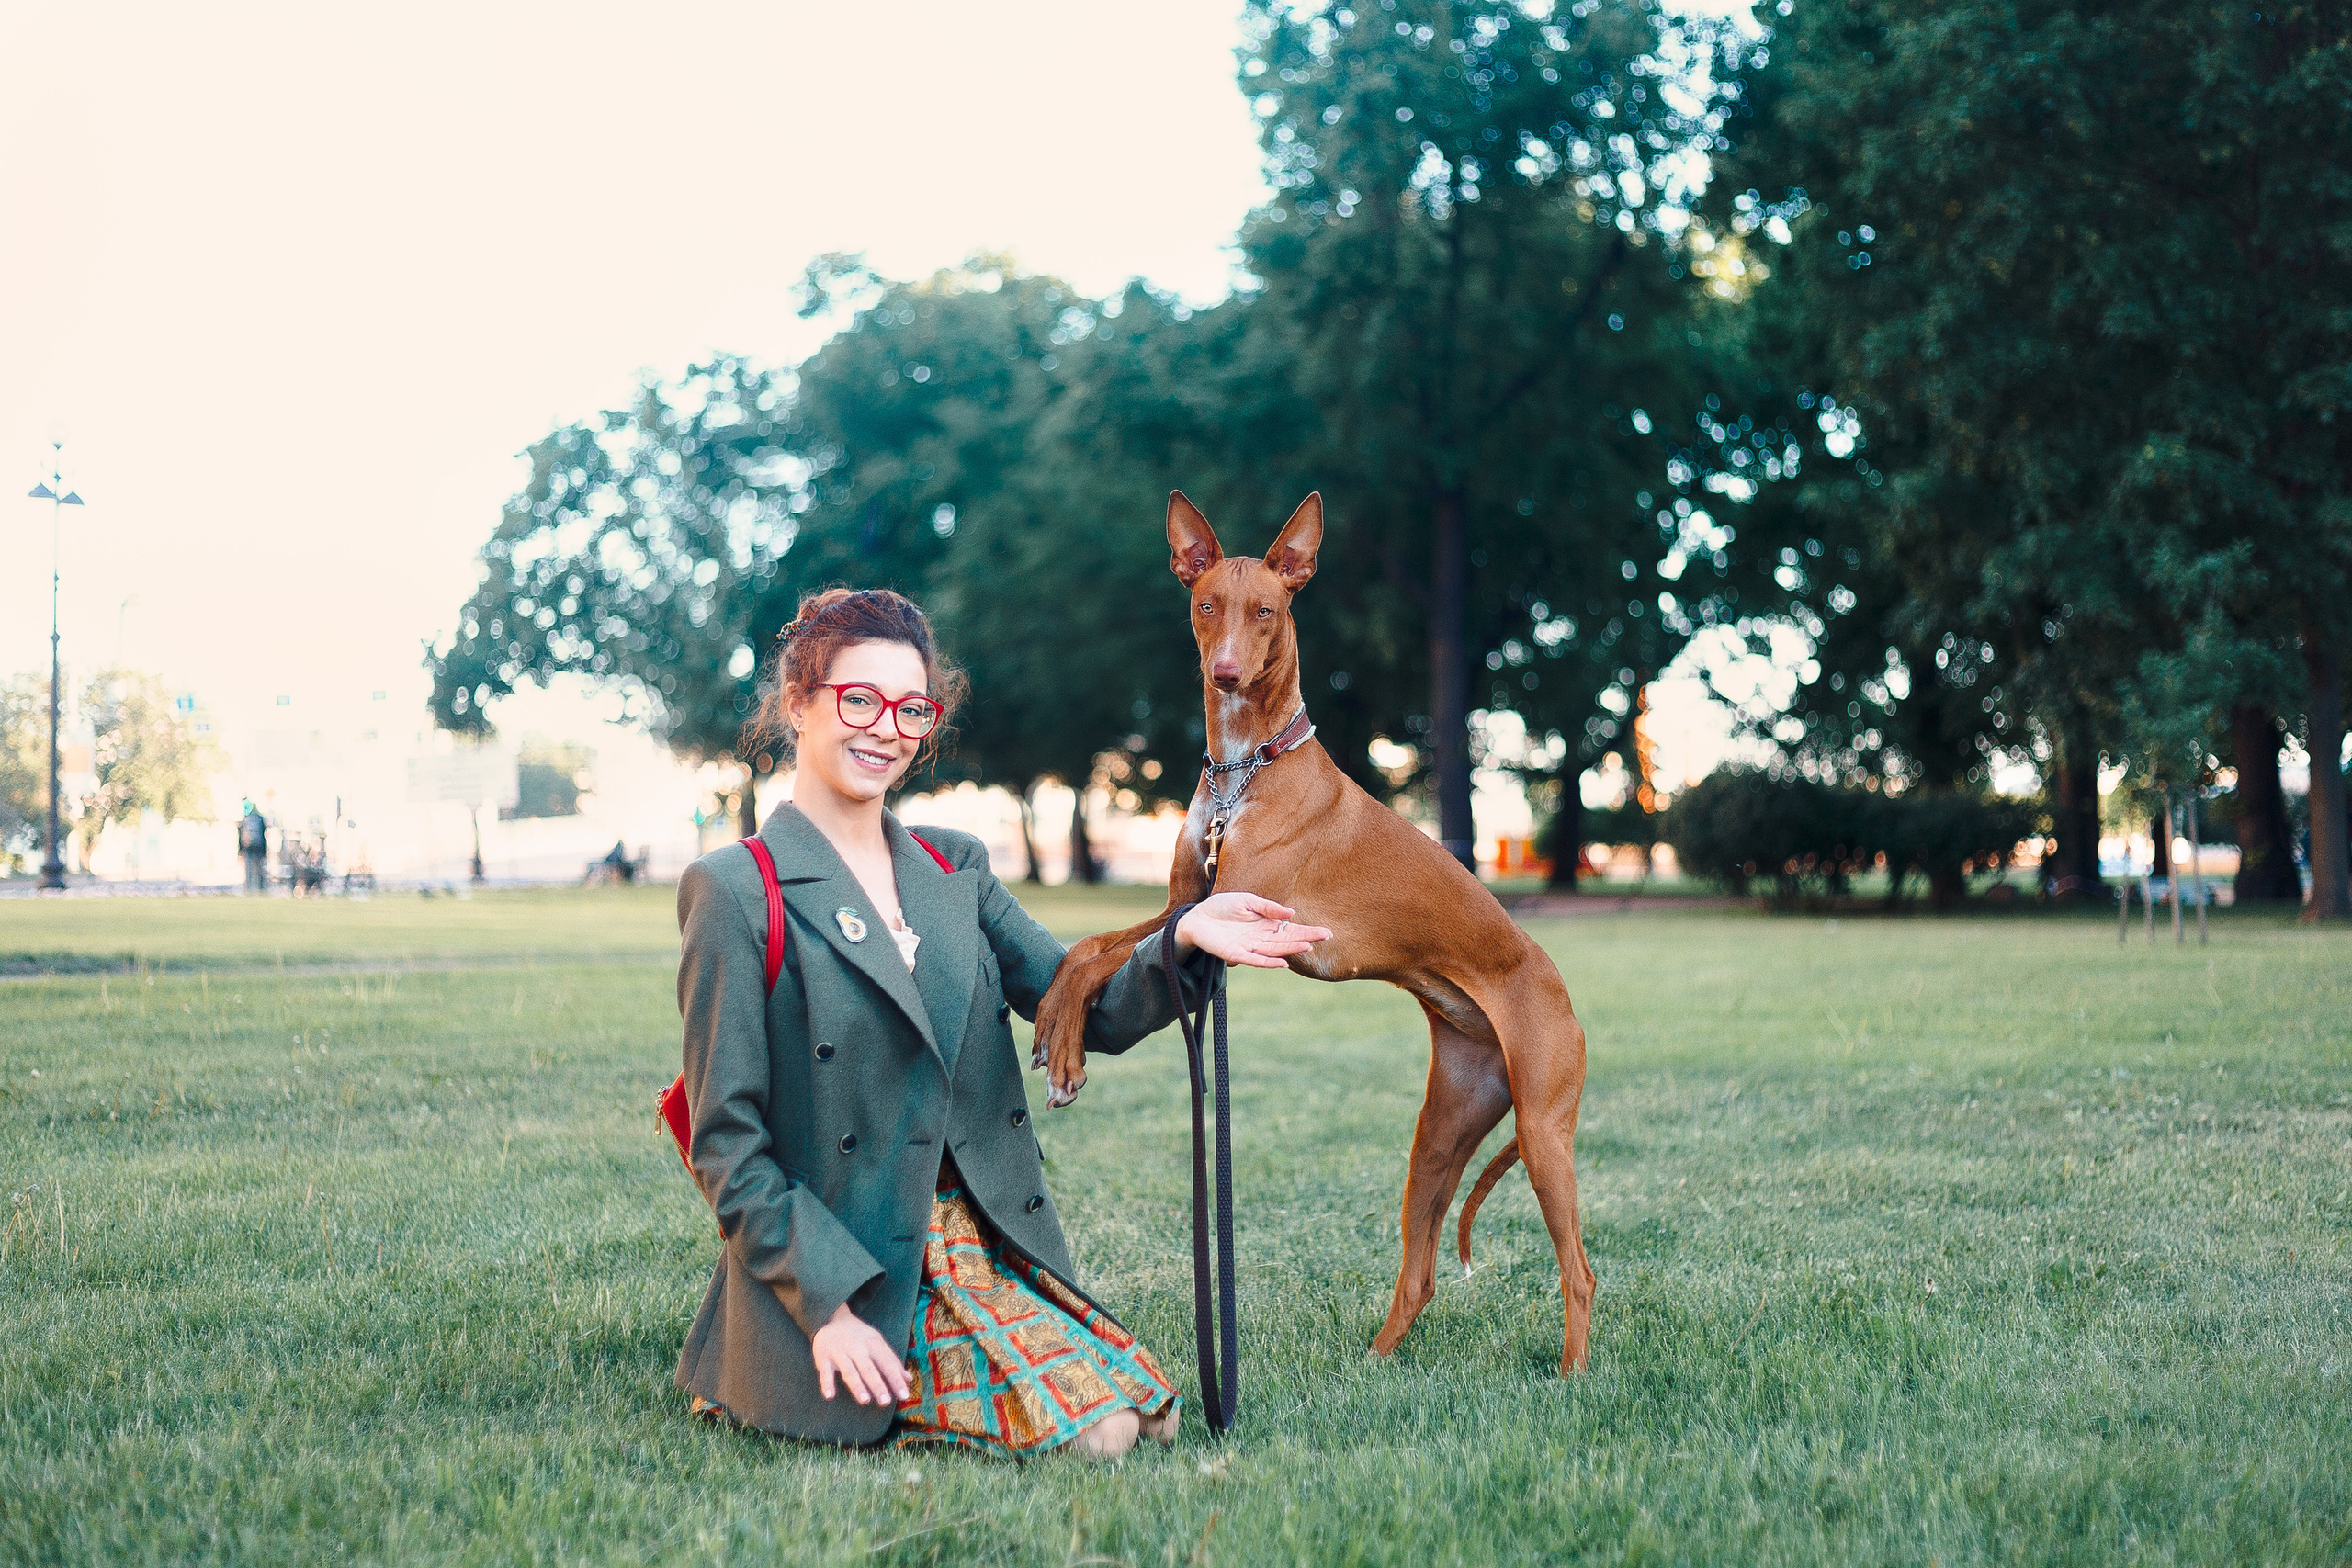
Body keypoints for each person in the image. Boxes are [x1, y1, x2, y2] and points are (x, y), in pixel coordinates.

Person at [673, 587, 1329, 1458]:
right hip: (850, 1258)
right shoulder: (735, 888)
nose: (885, 728)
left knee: (1153, 1416)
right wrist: (826, 1309)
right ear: (800, 702)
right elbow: (727, 1144)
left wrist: (1186, 939)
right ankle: (784, 1372)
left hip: (979, 1234)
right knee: (1102, 1435)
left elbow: (1073, 1000)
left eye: (912, 709)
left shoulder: (954, 865)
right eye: (857, 698)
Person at [236, 802, 268, 893]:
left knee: (248, 870)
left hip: (248, 849)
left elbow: (240, 836)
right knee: (260, 869)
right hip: (259, 849)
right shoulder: (260, 819)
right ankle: (261, 888)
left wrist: (240, 851)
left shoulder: (245, 820)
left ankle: (248, 889)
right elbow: (264, 836)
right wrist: (265, 851)